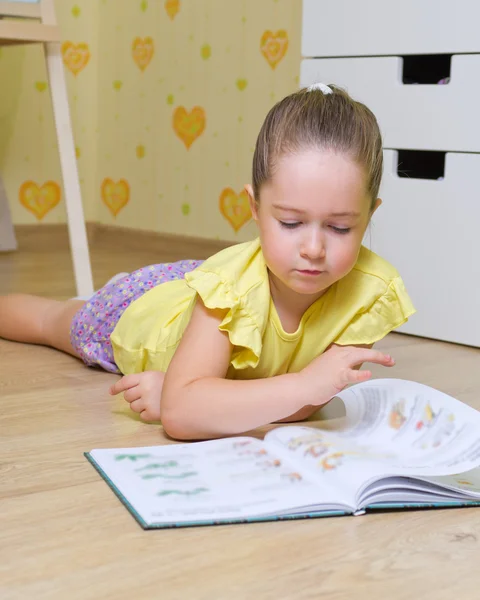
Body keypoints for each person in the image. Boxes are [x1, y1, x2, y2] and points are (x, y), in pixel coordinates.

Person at [0, 83, 415, 440]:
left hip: (206, 285)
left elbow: (301, 407)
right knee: (53, 321)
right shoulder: (228, 291)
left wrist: (194, 399)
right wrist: (188, 402)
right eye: (290, 222)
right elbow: (184, 417)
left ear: (369, 216)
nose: (313, 249)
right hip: (148, 310)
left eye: (340, 228)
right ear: (254, 207)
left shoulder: (370, 293)